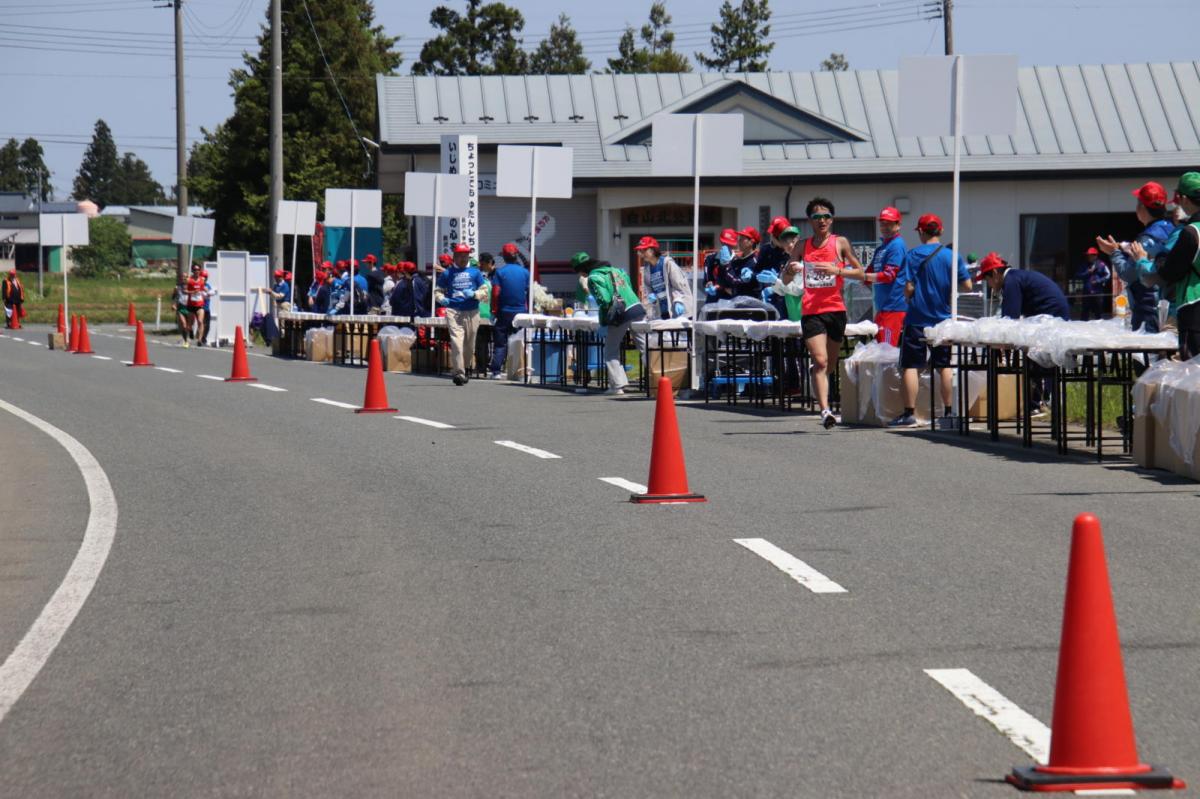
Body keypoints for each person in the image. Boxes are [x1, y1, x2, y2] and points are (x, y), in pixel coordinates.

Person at [781, 197, 865, 429]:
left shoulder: (840, 243)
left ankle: (818, 378)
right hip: (811, 311)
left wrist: (836, 270)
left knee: (829, 364)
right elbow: (785, 279)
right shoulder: (802, 246)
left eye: (826, 216)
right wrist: (789, 271)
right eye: (817, 217)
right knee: (820, 360)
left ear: (832, 219)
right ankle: (825, 411)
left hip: (836, 309)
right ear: (810, 220)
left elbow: (860, 273)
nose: (822, 221)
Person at [888, 213, 972, 429]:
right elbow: (967, 286)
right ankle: (948, 412)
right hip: (942, 320)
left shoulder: (913, 255)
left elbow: (907, 287)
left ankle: (909, 414)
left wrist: (910, 296)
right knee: (943, 365)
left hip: (916, 318)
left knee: (910, 366)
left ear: (921, 232)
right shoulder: (951, 256)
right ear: (941, 231)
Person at [1096, 181, 1174, 332]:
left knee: (1149, 354)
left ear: (1142, 208)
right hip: (1170, 304)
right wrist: (1122, 247)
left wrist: (1113, 252)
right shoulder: (1173, 230)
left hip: (1149, 306)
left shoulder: (1147, 239)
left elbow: (1128, 273)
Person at [571, 251, 644, 395]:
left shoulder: (594, 277)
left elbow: (604, 301)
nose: (581, 276)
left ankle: (617, 386)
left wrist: (604, 321)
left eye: (579, 272)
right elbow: (629, 285)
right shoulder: (616, 270)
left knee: (610, 351)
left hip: (620, 313)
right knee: (645, 347)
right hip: (636, 307)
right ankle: (660, 378)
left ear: (583, 269)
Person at [1145, 171, 1200, 360]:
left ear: (1184, 199)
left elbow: (1170, 272)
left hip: (1194, 306)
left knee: (1194, 370)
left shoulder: (1191, 233)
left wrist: (1155, 260)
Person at [435, 243, 487, 385]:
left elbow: (484, 292)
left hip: (472, 311)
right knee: (457, 342)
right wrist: (442, 299)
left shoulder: (475, 272)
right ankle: (459, 373)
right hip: (454, 311)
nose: (463, 259)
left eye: (466, 256)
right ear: (455, 257)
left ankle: (464, 367)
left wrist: (474, 294)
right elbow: (437, 291)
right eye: (460, 256)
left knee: (470, 345)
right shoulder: (447, 273)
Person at [976, 252, 1071, 321]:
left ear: (994, 273)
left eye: (987, 279)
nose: (989, 285)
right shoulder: (1015, 277)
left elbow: (1009, 319)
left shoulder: (1010, 282)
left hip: (1052, 315)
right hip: (1056, 313)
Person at [862, 206, 908, 345]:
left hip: (894, 307)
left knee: (887, 352)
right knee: (881, 349)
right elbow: (868, 273)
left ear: (898, 225)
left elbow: (889, 275)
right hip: (883, 307)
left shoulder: (897, 245)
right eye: (882, 223)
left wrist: (865, 277)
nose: (885, 227)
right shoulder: (882, 248)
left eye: (889, 223)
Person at [488, 245, 531, 379]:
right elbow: (529, 292)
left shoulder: (500, 272)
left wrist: (494, 309)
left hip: (503, 311)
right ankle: (521, 370)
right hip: (521, 313)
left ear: (504, 257)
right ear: (516, 255)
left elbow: (495, 293)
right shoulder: (525, 272)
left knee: (500, 343)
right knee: (520, 342)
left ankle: (496, 371)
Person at [635, 236, 693, 321]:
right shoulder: (647, 269)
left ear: (652, 250)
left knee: (681, 334)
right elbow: (649, 289)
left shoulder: (667, 263)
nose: (640, 254)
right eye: (639, 251)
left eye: (643, 250)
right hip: (664, 312)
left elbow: (679, 286)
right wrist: (652, 297)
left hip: (680, 310)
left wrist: (678, 301)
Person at [756, 216, 793, 311]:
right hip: (766, 297)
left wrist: (776, 284)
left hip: (788, 298)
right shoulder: (766, 250)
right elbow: (757, 271)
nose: (771, 237)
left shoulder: (794, 251)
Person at [703, 228, 739, 301]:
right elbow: (707, 280)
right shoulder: (710, 259)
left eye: (729, 245)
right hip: (713, 300)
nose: (726, 246)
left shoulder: (738, 261)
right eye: (724, 243)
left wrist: (722, 287)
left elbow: (737, 284)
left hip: (732, 300)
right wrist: (709, 285)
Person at [1077, 247, 1111, 320]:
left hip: (1098, 292)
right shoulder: (1084, 265)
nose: (1088, 257)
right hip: (1086, 292)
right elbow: (1078, 275)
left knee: (1098, 312)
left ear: (1095, 256)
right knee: (1084, 312)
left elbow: (1108, 275)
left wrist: (1098, 281)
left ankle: (1099, 329)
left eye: (1090, 255)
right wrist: (1087, 272)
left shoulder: (1102, 265)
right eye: (1088, 255)